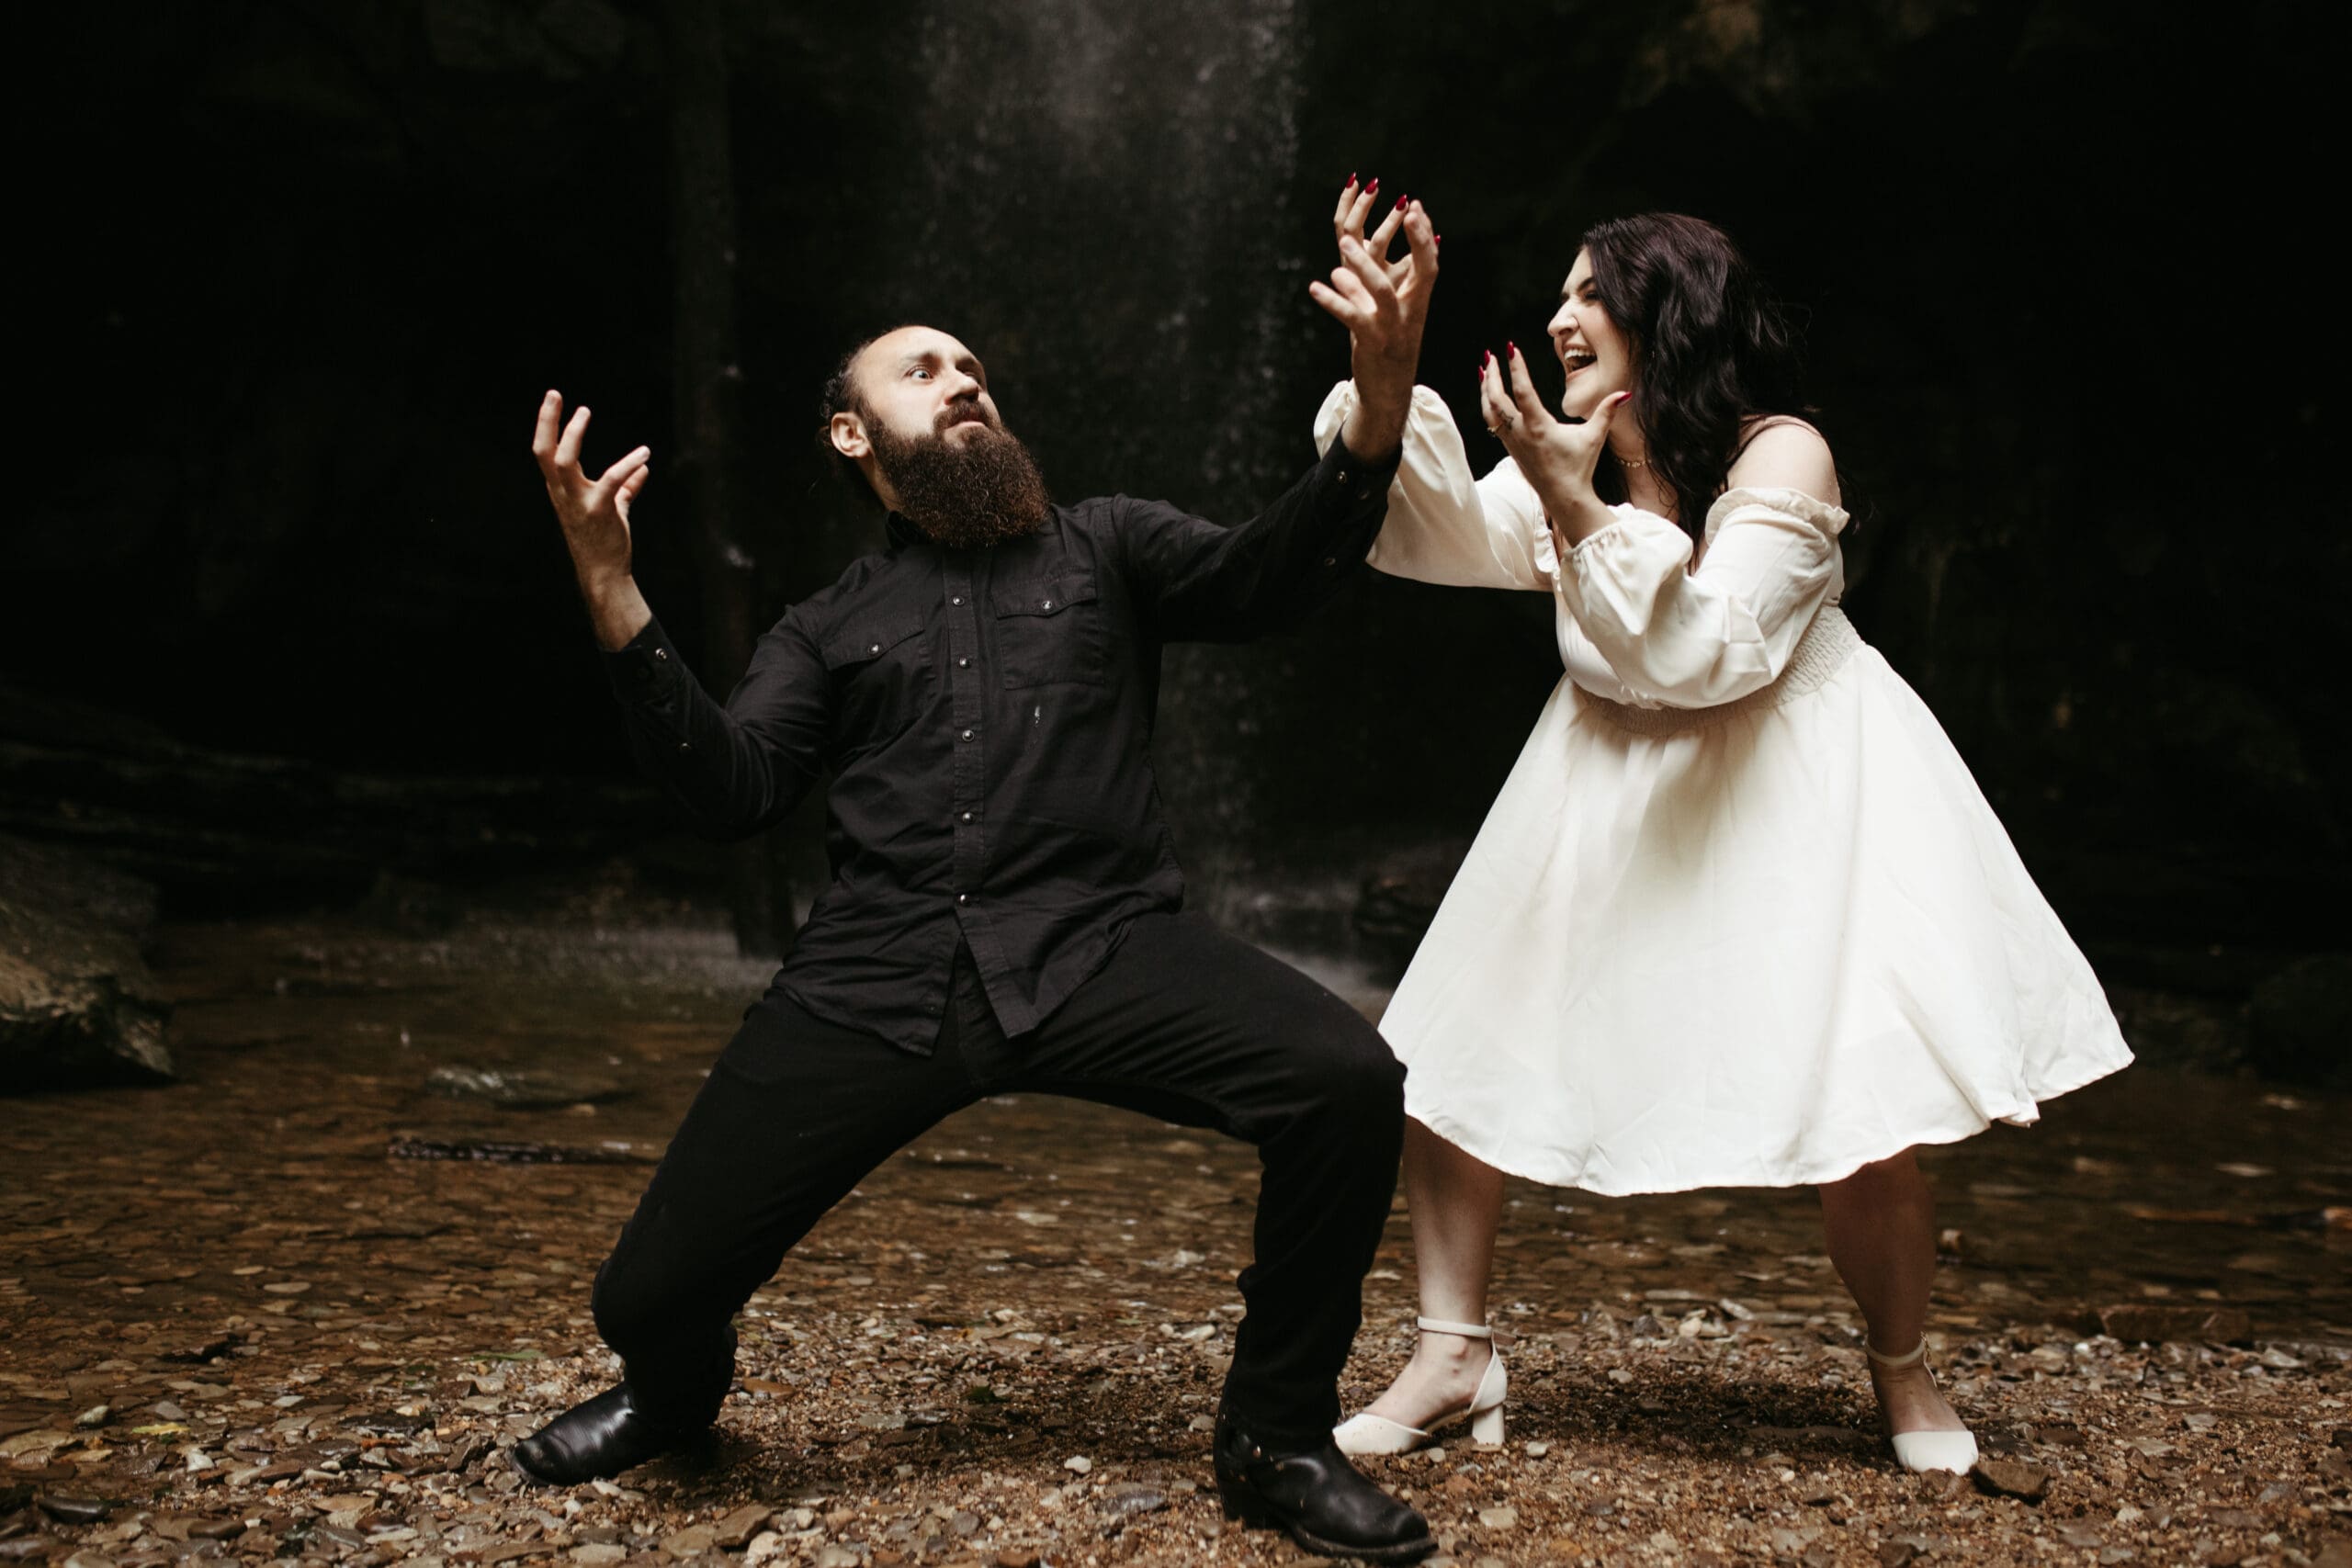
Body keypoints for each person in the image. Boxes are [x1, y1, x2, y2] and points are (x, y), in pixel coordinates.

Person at [512, 190, 1447, 1564]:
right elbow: (736, 790)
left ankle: (1276, 1437)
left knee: (1348, 1081)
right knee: (642, 1296)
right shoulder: (825, 626)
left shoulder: (1108, 545)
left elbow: (1266, 582)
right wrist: (612, 590)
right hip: (875, 976)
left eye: (977, 372)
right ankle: (675, 1390)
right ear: (853, 433)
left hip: (1101, 949)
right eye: (924, 368)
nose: (965, 383)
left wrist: (1377, 405)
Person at [1312, 209, 2133, 1473]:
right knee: (1451, 1049)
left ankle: (1906, 1376)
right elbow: (1427, 535)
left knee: (1861, 1097)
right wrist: (1391, 359)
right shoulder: (1584, 455)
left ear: (1667, 311)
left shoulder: (1782, 455)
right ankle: (1452, 1355)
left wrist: (1572, 499)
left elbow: (1709, 655)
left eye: (1590, 295)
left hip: (1794, 796)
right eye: (1560, 296)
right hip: (1605, 783)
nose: (1559, 318)